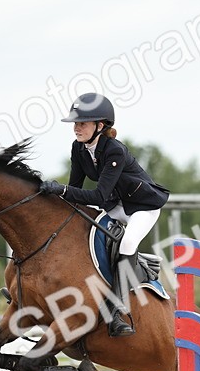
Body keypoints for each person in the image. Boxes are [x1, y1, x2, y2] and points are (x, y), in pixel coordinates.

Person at [39, 93, 169, 337]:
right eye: (75, 123)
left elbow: (98, 195)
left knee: (128, 242)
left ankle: (118, 309)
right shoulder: (78, 148)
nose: (76, 128)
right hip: (116, 204)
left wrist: (63, 190)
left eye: (82, 123)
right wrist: (51, 194)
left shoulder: (114, 151)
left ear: (100, 125)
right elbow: (74, 188)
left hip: (142, 206)